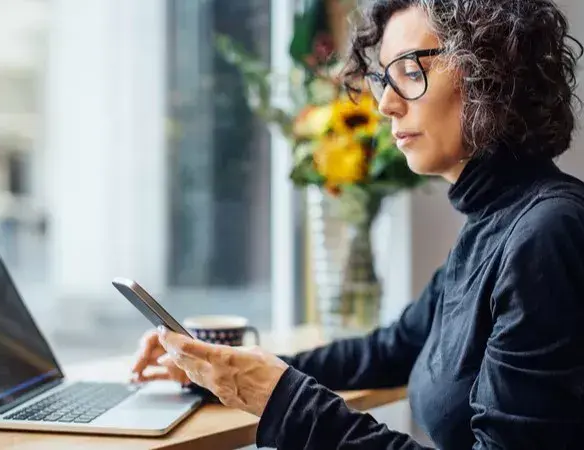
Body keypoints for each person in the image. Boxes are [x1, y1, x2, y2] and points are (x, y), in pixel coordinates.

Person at [131, 0, 584, 448]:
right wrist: (226, 372)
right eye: (383, 77)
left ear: (491, 73)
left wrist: (282, 400)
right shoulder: (494, 223)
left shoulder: (546, 234)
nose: (386, 104)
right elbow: (389, 350)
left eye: (409, 71)